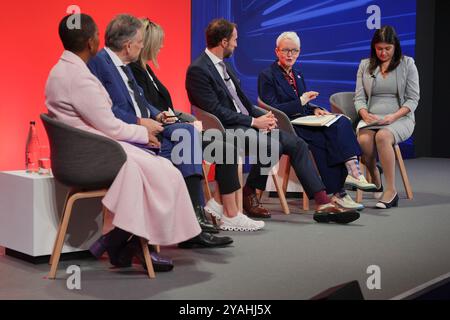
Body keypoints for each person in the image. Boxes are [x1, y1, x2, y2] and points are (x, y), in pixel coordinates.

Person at [46, 13, 203, 272]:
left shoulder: (62, 70)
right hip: (93, 155)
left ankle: (119, 242)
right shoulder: (79, 77)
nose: (101, 38)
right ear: (90, 42)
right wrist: (143, 133)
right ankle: (121, 240)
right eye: (97, 34)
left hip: (88, 149)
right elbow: (109, 124)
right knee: (164, 171)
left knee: (161, 168)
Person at [186, 18, 360, 224]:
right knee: (272, 146)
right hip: (226, 130)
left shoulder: (226, 67)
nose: (236, 44)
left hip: (245, 123)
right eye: (234, 40)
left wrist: (262, 116)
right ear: (224, 42)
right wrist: (253, 122)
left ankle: (322, 203)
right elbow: (215, 111)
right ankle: (248, 191)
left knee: (297, 144)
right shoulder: (198, 69)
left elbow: (243, 102)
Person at [87, 14, 233, 245]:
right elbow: (106, 111)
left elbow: (141, 99)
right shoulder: (100, 64)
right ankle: (192, 227)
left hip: (149, 125)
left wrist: (156, 113)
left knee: (186, 132)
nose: (142, 45)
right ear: (128, 45)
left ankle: (195, 218)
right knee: (185, 142)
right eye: (139, 41)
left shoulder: (123, 65)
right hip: (128, 135)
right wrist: (139, 122)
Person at [129, 18, 264, 231]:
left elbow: (164, 108)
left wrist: (184, 119)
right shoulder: (135, 72)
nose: (163, 46)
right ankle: (222, 212)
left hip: (176, 128)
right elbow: (147, 111)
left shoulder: (147, 70)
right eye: (160, 42)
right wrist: (178, 121)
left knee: (226, 147)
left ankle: (225, 210)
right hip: (166, 136)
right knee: (223, 146)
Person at [258, 32, 376, 210]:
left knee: (341, 122)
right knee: (323, 140)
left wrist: (315, 109)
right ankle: (340, 191)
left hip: (304, 121)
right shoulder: (267, 75)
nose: (290, 55)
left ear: (299, 52)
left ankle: (352, 173)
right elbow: (272, 109)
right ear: (277, 51)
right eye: (286, 50)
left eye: (294, 50)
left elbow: (303, 105)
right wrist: (302, 101)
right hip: (284, 125)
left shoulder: (298, 74)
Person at [354, 25, 420, 209]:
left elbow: (413, 99)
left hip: (400, 118)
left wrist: (392, 117)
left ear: (395, 46)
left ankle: (391, 191)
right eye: (379, 48)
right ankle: (375, 174)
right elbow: (359, 98)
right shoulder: (365, 65)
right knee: (364, 140)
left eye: (387, 48)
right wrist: (365, 114)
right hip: (371, 118)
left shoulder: (407, 64)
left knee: (383, 136)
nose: (383, 53)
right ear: (374, 47)